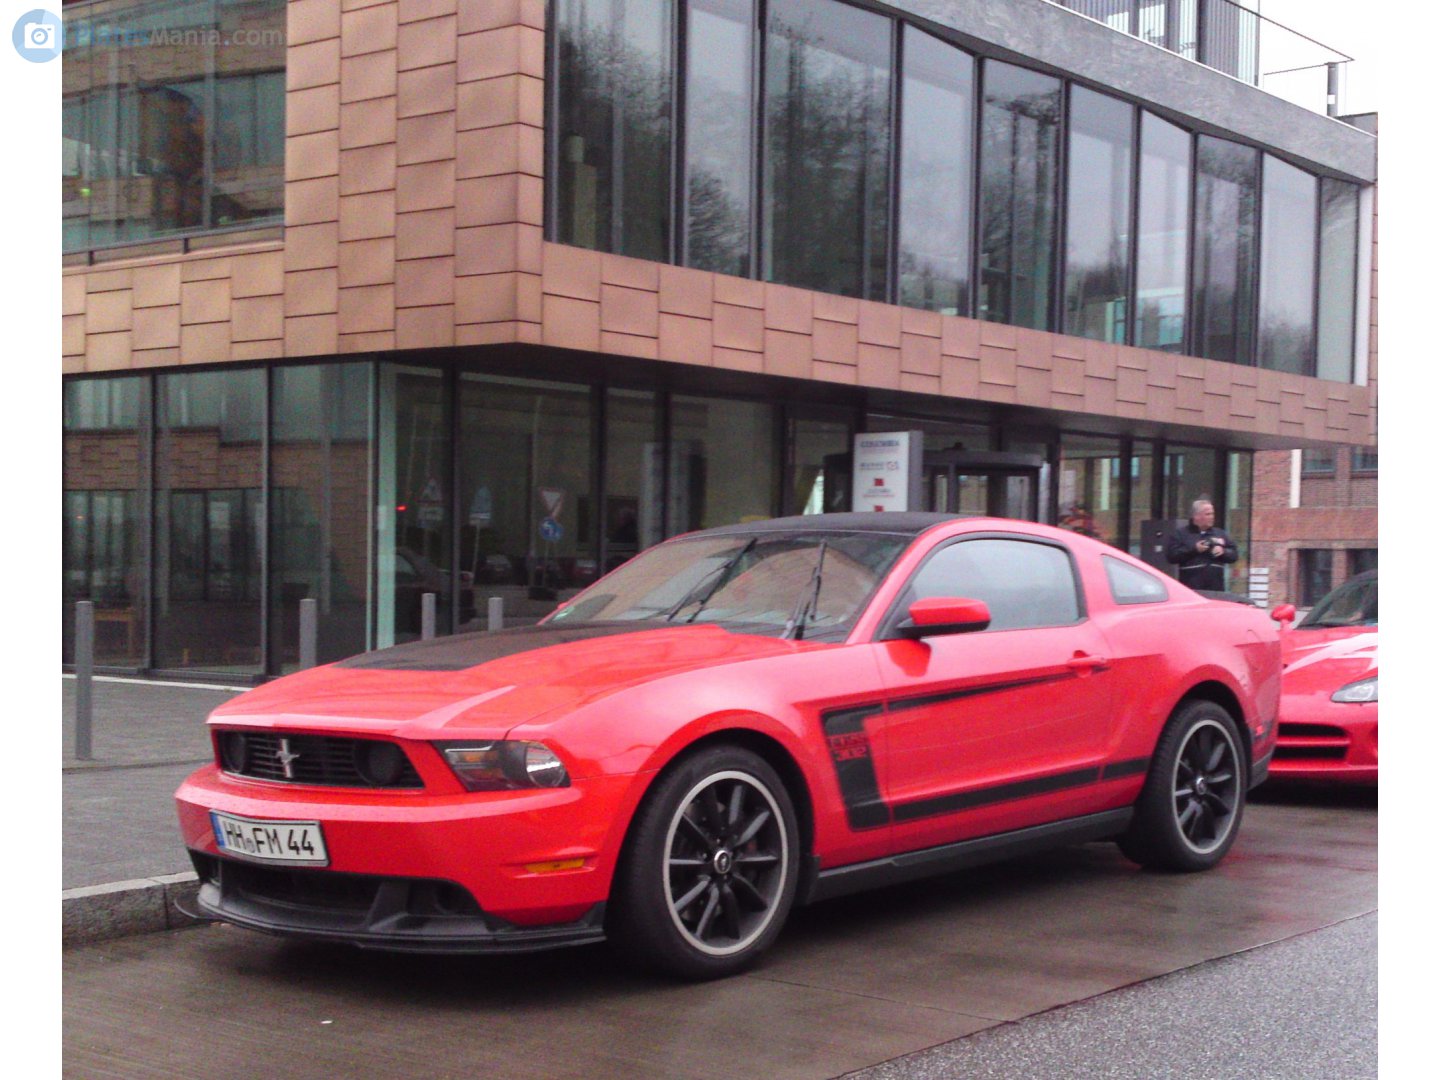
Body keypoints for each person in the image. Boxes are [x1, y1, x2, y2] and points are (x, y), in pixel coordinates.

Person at [1165, 499, 1239, 592]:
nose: (1212, 517)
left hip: (1215, 589)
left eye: (1212, 514)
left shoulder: (1220, 533)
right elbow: (1171, 556)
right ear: (1196, 516)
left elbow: (1234, 555)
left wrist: (1223, 551)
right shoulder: (1181, 534)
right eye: (1208, 514)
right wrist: (1194, 549)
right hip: (1191, 589)